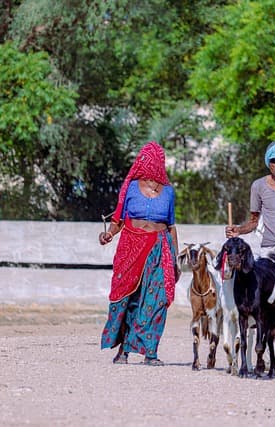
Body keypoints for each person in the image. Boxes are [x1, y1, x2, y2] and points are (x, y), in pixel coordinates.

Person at [99, 141, 180, 366]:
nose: (150, 164)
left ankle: (150, 352)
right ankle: (123, 350)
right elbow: (119, 220)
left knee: (157, 300)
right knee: (129, 298)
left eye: (154, 160)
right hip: (131, 246)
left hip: (160, 248)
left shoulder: (169, 192)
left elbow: (171, 226)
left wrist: (175, 259)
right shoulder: (131, 187)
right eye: (145, 159)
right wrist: (109, 234)